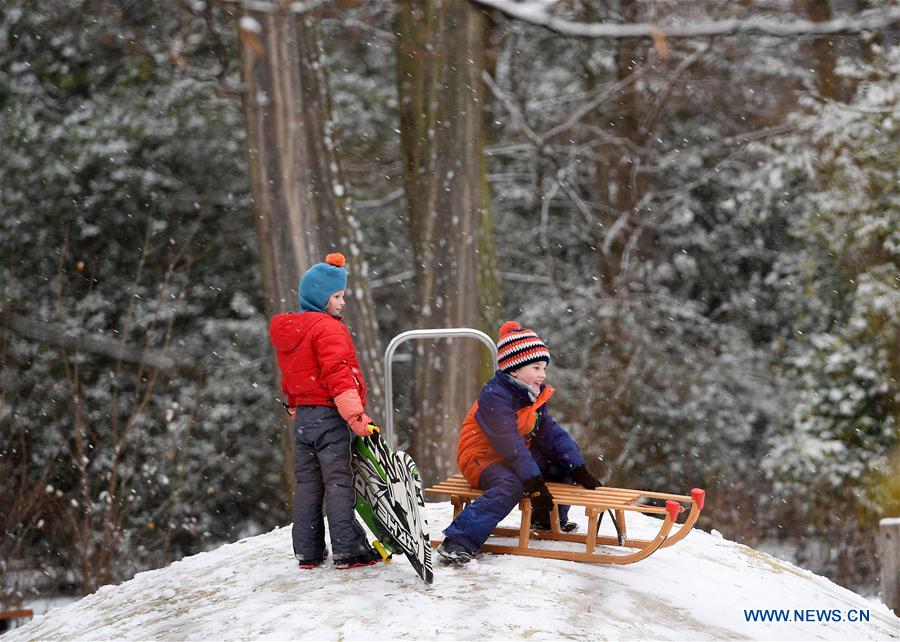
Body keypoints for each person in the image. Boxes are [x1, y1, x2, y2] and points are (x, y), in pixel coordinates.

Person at [437, 321, 602, 565]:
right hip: (481, 457)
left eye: (544, 367)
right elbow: (508, 443)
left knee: (559, 464)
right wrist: (533, 481)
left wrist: (578, 468)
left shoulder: (532, 397)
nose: (542, 374)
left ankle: (546, 519)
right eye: (536, 367)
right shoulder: (495, 397)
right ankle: (458, 541)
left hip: (511, 455)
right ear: (514, 369)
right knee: (511, 485)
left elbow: (552, 435)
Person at [269, 252, 381, 570]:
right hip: (330, 417)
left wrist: (295, 408)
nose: (342, 302)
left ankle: (308, 550)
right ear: (321, 298)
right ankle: (348, 549)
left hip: (303, 418)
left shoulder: (292, 332)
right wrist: (357, 418)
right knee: (339, 483)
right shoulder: (328, 329)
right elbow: (339, 376)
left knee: (308, 485)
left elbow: (290, 377)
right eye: (337, 296)